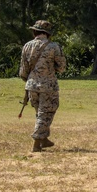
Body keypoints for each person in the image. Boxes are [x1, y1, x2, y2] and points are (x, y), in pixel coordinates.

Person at [19, 20, 67, 152]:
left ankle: (44, 139)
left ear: (35, 31)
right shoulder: (53, 47)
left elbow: (23, 71)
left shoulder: (27, 46)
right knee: (45, 113)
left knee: (40, 113)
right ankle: (36, 142)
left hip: (31, 86)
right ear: (48, 33)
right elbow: (62, 67)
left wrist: (30, 81)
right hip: (48, 86)